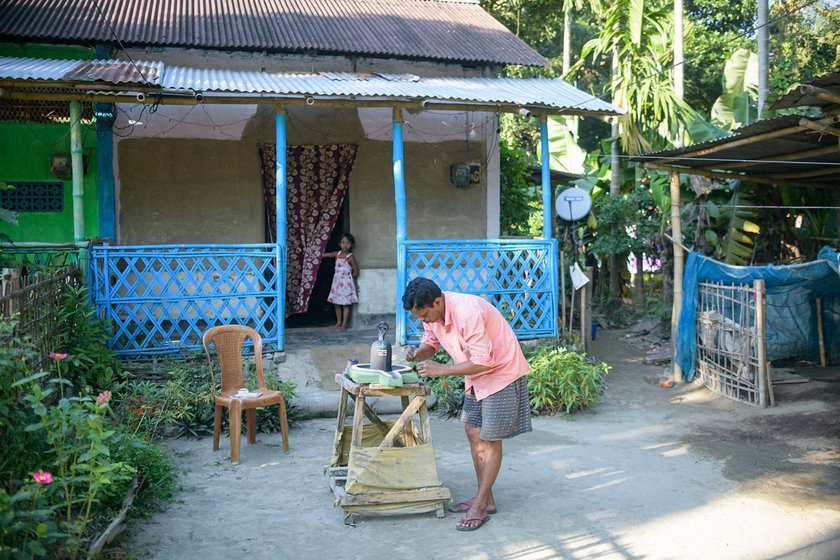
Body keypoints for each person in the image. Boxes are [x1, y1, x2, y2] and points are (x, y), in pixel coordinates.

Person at [402, 277, 531, 532]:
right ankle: (487, 499)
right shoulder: (434, 314)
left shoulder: (467, 311)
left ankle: (480, 505)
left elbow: (485, 362)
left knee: (491, 438)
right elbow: (431, 343)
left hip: (501, 373)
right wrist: (418, 352)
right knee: (473, 432)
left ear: (438, 301)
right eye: (418, 317)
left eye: (425, 314)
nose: (423, 320)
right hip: (475, 374)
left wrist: (441, 369)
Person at [324, 233, 359, 330]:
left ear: (351, 245)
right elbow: (327, 254)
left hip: (345, 284)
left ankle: (344, 324)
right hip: (336, 284)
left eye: (348, 243)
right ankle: (338, 323)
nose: (345, 245)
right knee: (336, 304)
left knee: (345, 304)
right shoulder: (337, 254)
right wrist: (316, 255)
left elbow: (356, 269)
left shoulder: (350, 257)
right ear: (339, 244)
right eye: (343, 242)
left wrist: (352, 277)